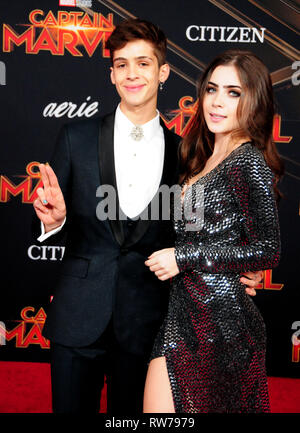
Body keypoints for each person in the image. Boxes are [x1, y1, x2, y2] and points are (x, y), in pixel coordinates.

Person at [33, 19, 262, 414]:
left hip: (149, 323)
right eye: (121, 64)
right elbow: (47, 217)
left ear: (163, 72)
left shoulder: (190, 156)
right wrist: (52, 222)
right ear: (111, 74)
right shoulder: (75, 137)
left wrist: (237, 270)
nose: (132, 74)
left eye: (143, 63)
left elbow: (199, 238)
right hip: (78, 317)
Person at [144, 50, 283, 413]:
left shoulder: (248, 160)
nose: (217, 102)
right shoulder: (201, 158)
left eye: (233, 93)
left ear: (254, 101)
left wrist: (183, 257)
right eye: (212, 89)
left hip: (223, 325)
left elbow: (268, 249)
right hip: (182, 314)